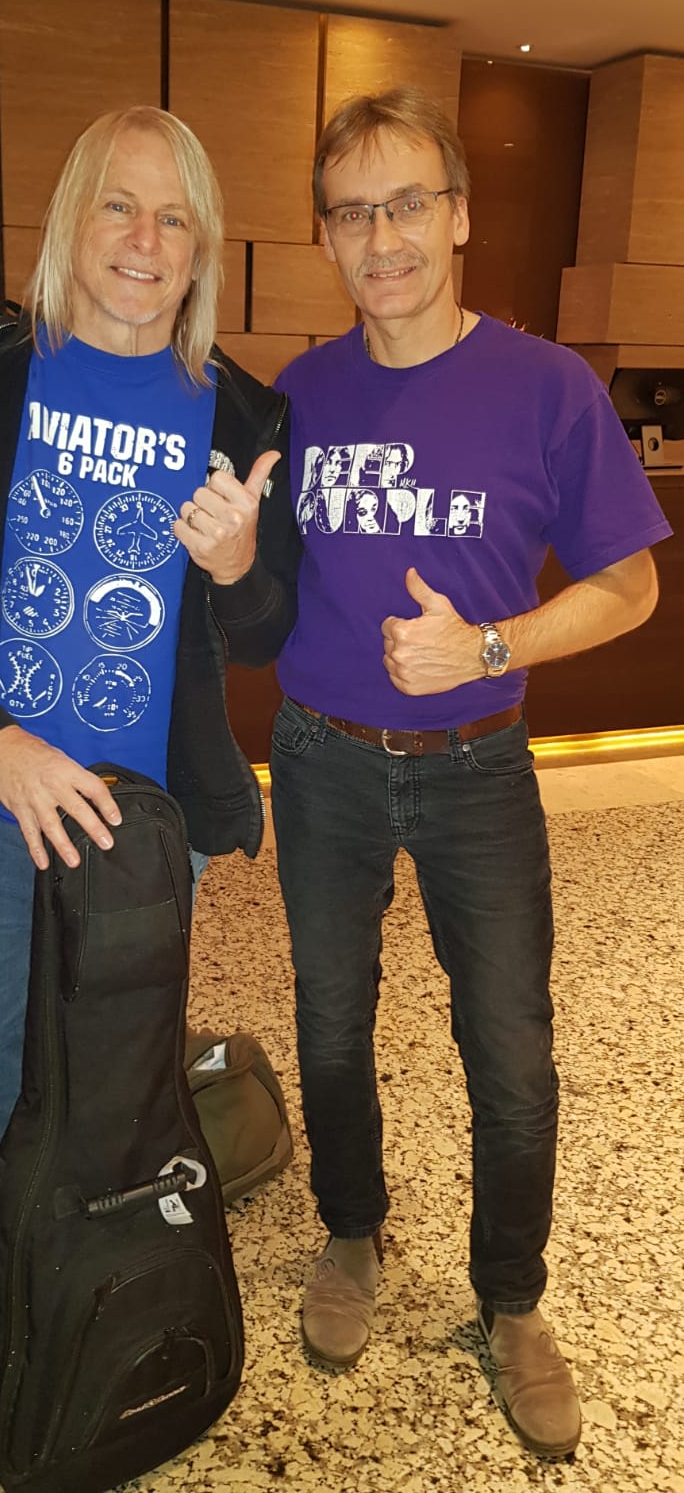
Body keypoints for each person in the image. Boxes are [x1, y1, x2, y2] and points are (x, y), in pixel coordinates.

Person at [0, 106, 300, 1373]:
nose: (144, 240)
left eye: (174, 217)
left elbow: (268, 630)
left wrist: (239, 566)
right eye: (119, 204)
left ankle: (100, 1259)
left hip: (150, 830)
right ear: (71, 219)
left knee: (123, 1067)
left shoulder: (245, 417)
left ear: (201, 248)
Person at [269, 85, 671, 1459]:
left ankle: (512, 1298)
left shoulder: (549, 387)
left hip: (478, 766)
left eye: (406, 204)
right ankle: (350, 1229)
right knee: (331, 1021)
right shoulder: (298, 397)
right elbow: (256, 583)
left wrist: (490, 644)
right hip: (318, 763)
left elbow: (630, 588)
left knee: (509, 1046)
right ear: (327, 236)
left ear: (457, 215)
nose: (380, 237)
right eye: (351, 212)